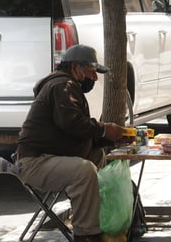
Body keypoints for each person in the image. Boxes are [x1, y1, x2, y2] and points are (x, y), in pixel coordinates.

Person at [15, 44, 127, 242]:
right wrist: (104, 129)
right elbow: (71, 123)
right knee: (83, 171)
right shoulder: (61, 86)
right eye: (91, 72)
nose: (94, 78)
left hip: (49, 157)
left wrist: (109, 137)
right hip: (34, 163)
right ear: (75, 68)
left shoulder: (66, 85)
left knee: (96, 157)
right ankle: (87, 235)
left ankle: (94, 216)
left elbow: (73, 133)